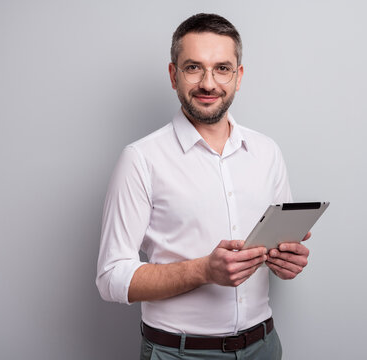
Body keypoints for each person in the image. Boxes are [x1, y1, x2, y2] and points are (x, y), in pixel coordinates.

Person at [96, 13, 311, 360]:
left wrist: (286, 261)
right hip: (178, 353)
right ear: (173, 75)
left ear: (238, 76)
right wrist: (203, 270)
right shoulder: (140, 159)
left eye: (222, 68)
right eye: (194, 67)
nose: (209, 83)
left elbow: (277, 249)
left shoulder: (267, 152)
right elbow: (110, 277)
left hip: (264, 347)